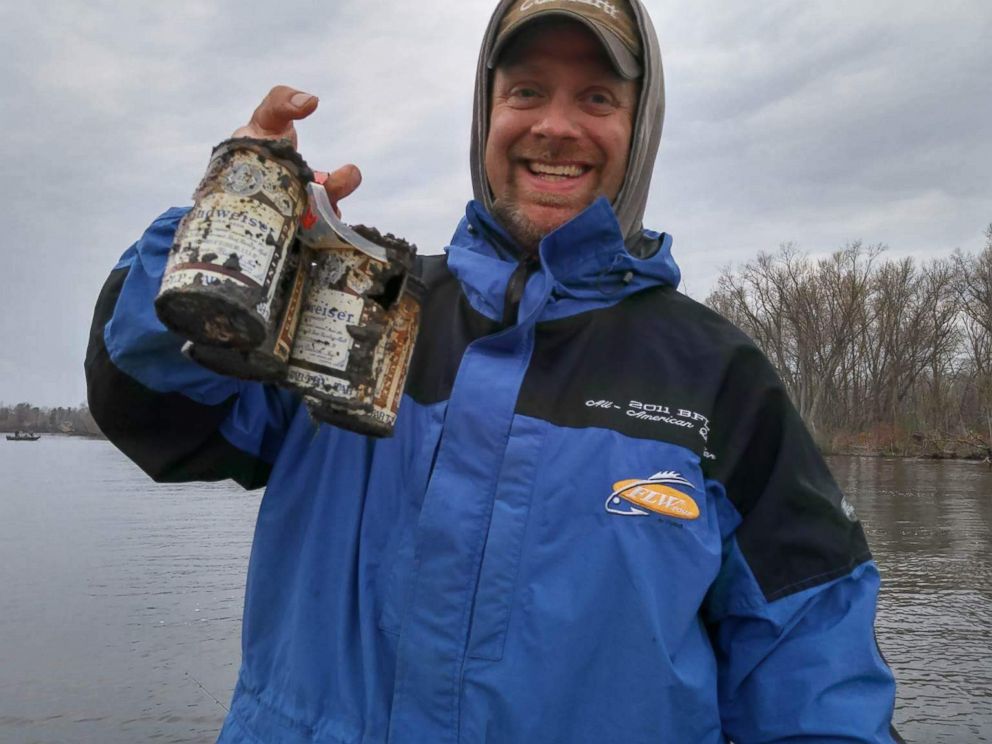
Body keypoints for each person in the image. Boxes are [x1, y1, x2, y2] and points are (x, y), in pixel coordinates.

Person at [86, 1, 903, 741]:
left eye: (596, 98)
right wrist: (231, 214)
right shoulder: (354, 308)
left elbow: (815, 678)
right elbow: (152, 408)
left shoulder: (720, 377)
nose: (556, 125)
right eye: (525, 91)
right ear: (486, 115)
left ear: (640, 128)